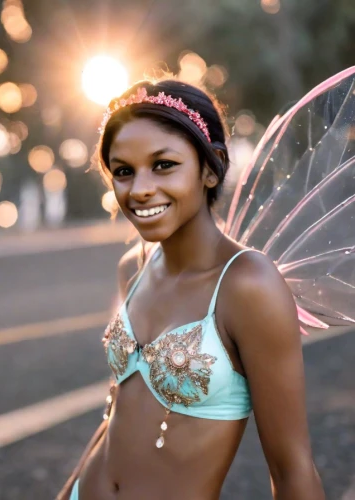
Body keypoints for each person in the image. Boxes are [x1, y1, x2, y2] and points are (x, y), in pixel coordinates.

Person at [58, 79, 325, 499]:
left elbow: (292, 468)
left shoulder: (248, 284)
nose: (140, 188)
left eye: (163, 164)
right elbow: (116, 415)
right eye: (123, 171)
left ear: (210, 165)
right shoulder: (134, 268)